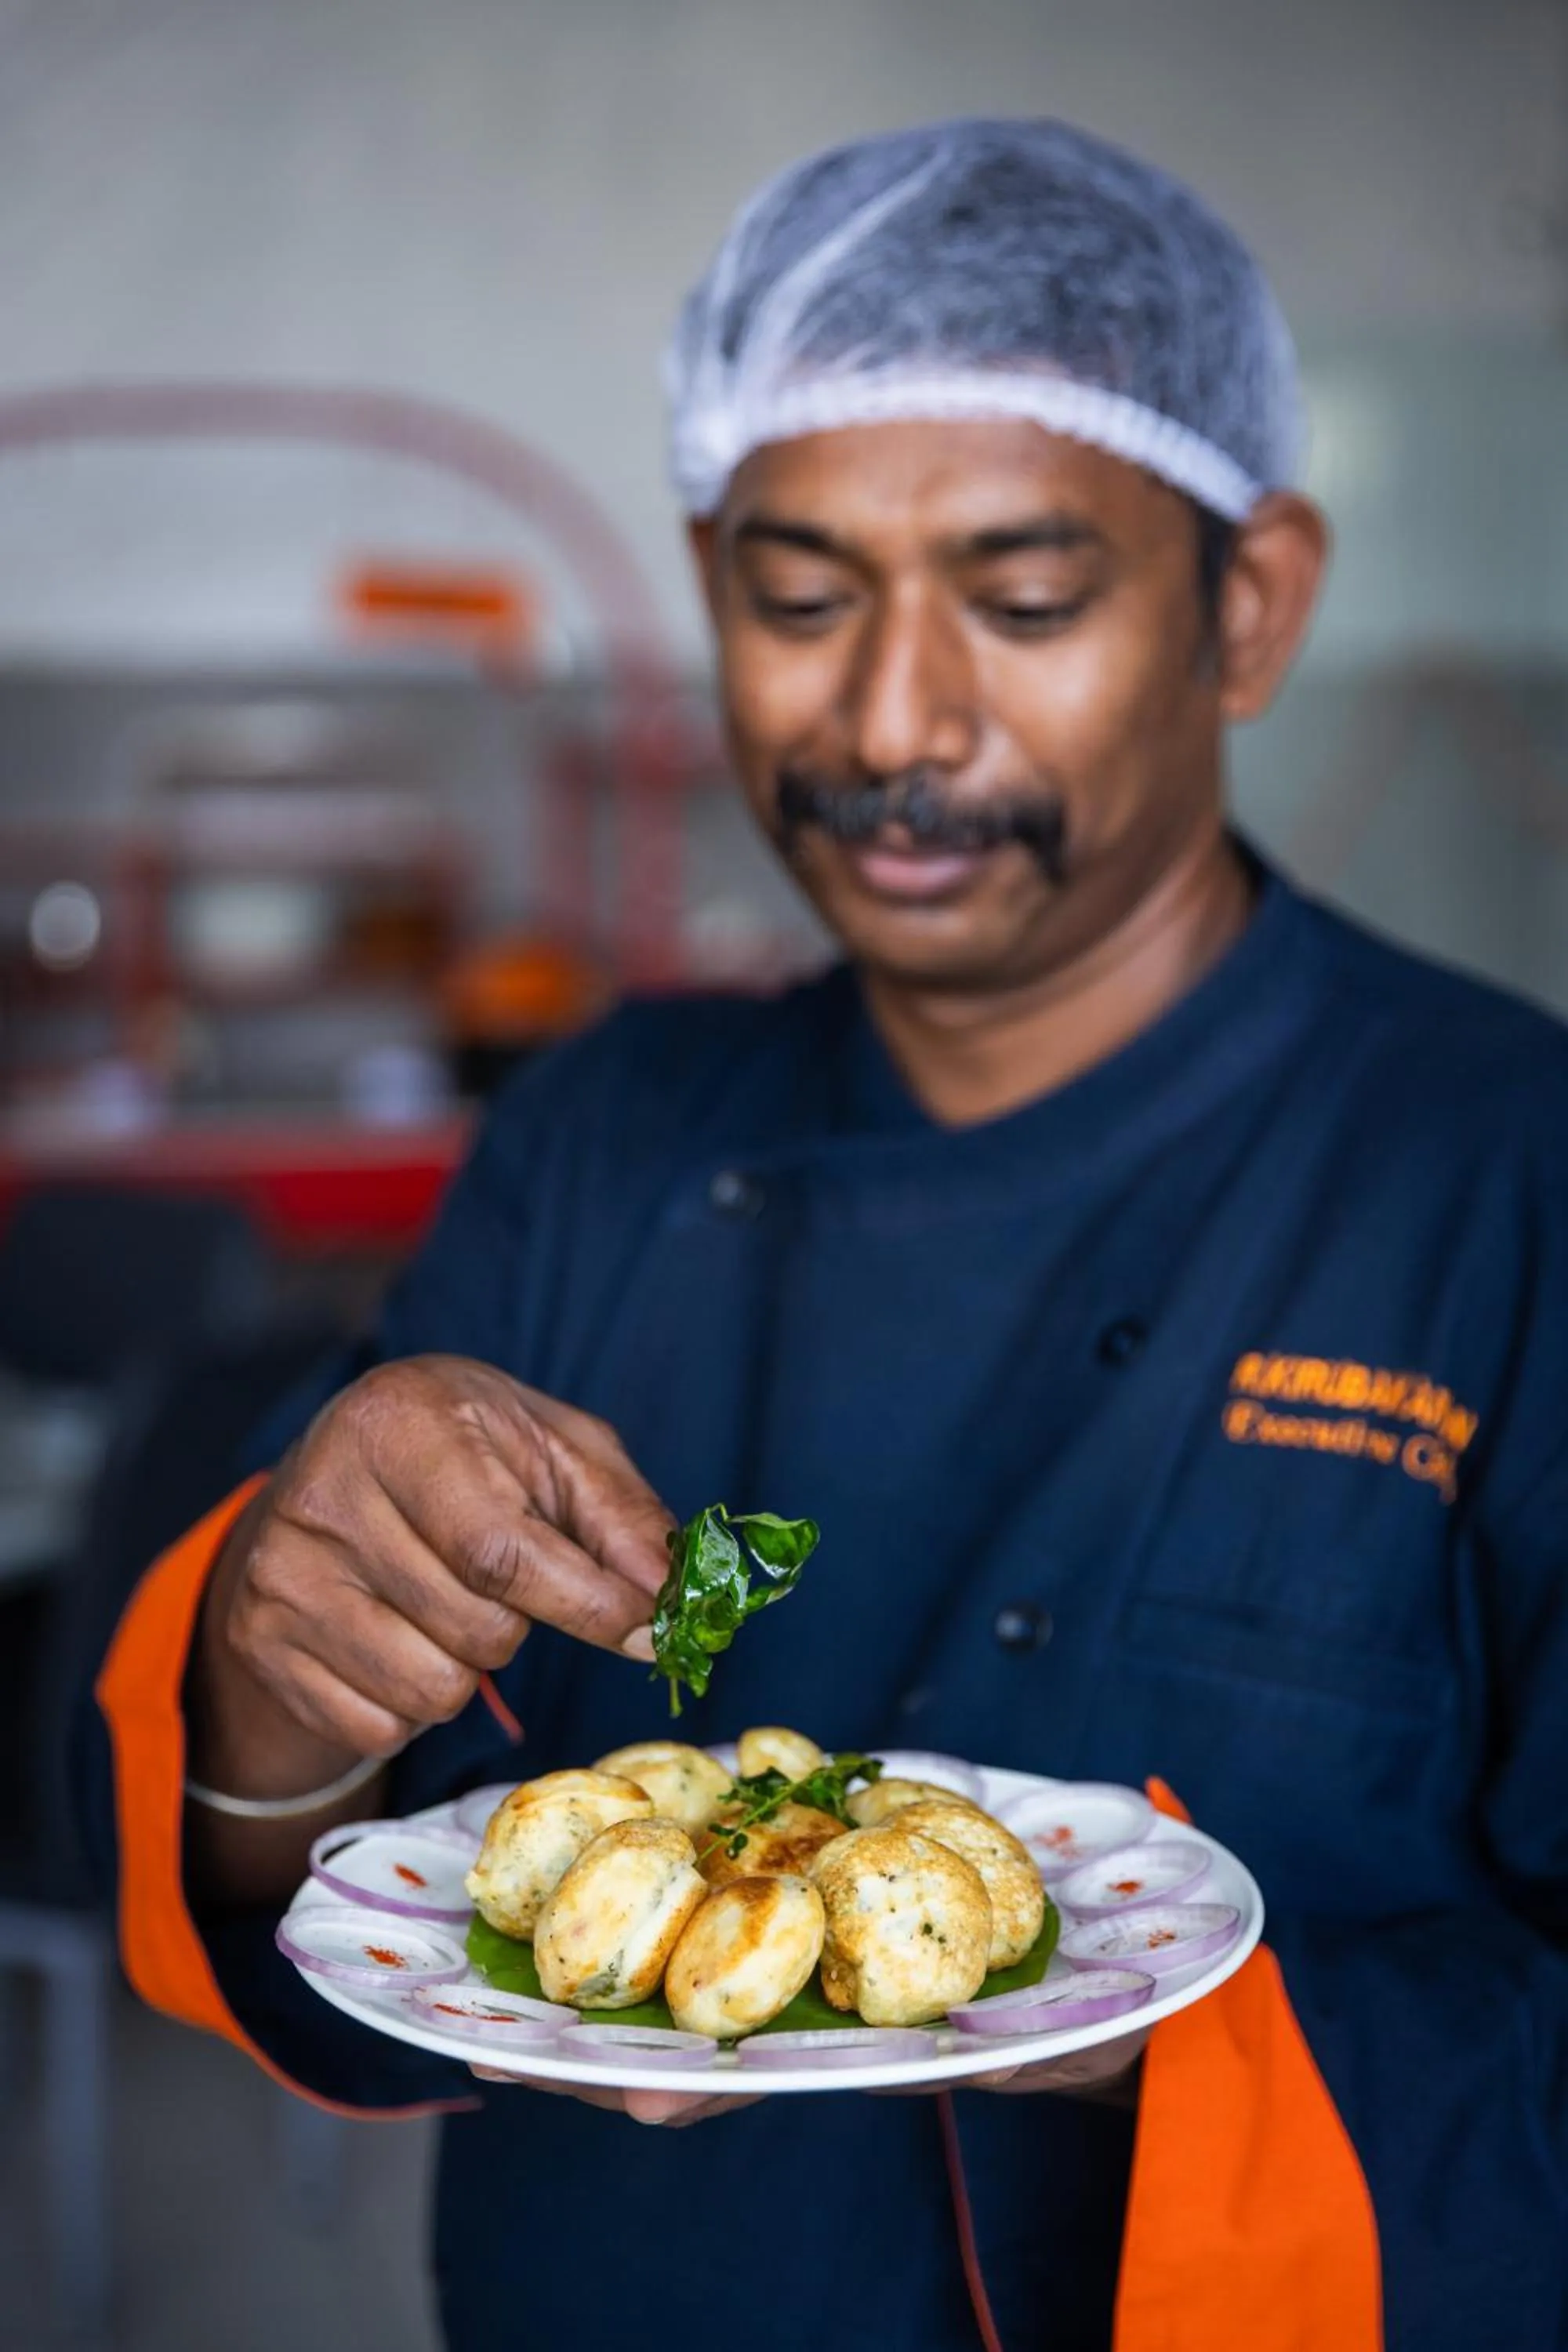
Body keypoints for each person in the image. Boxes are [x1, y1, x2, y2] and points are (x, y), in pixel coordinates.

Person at [89, 120, 1566, 2352]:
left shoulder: (1510, 1170)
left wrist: (1124, 2034)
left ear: (1247, 605)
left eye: (1026, 596)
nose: (891, 722)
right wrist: (281, 1703)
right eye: (799, 599)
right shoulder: (604, 1131)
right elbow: (361, 1921)